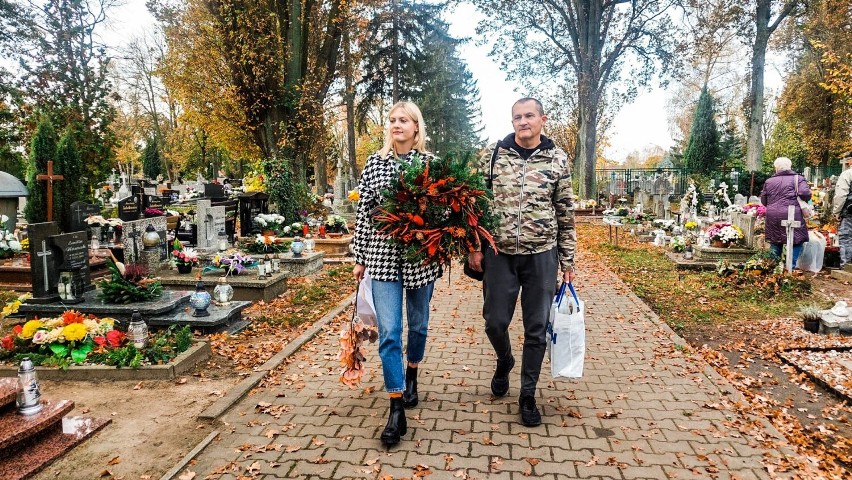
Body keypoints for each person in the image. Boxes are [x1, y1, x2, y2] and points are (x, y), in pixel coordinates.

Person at [467, 97, 577, 427]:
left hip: (542, 255)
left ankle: (527, 394)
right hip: (499, 254)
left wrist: (568, 261)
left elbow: (566, 213)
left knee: (537, 329)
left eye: (529, 115)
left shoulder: (557, 159)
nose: (523, 121)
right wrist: (473, 247)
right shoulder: (492, 155)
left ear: (543, 119)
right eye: (517, 117)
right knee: (494, 321)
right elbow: (472, 204)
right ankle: (504, 360)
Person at [352, 101, 441, 447]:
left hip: (420, 258)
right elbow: (363, 214)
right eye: (391, 120)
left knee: (417, 325)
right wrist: (360, 257)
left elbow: (443, 211)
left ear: (416, 127)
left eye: (403, 120)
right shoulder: (374, 164)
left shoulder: (431, 165)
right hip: (383, 256)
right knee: (390, 332)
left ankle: (412, 373)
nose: (396, 125)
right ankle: (395, 407)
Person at [760, 157, 812, 266]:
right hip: (792, 213)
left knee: (775, 240)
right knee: (796, 240)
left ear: (776, 168)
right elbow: (805, 193)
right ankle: (790, 267)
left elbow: (764, 201)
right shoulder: (798, 179)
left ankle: (774, 267)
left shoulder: (769, 181)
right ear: (790, 166)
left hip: (773, 215)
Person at [832, 157, 852, 267]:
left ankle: (846, 265)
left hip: (850, 212)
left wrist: (837, 212)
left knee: (847, 237)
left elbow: (841, 195)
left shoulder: (848, 174)